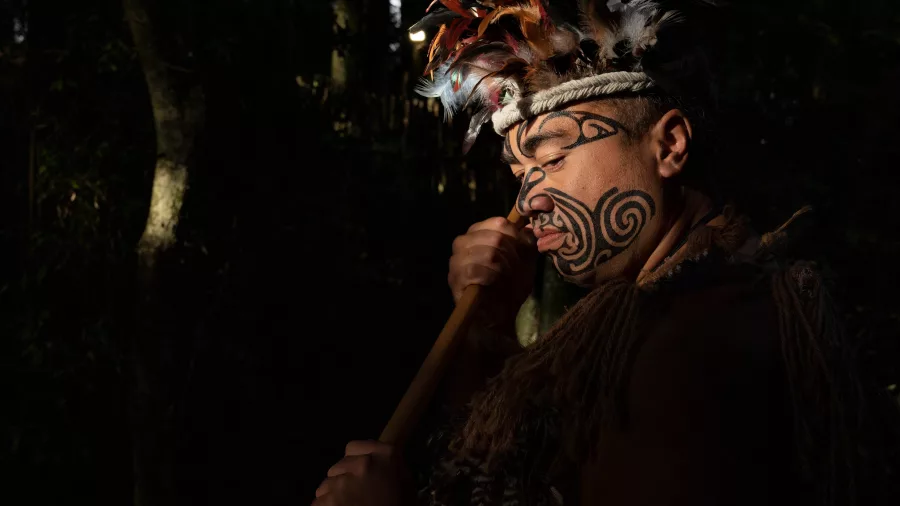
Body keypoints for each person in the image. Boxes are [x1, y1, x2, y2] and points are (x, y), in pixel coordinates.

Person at [311, 2, 899, 505]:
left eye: (553, 159)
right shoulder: (677, 302)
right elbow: (520, 467)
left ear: (668, 145)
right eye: (518, 171)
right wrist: (485, 333)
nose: (528, 199)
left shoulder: (692, 346)